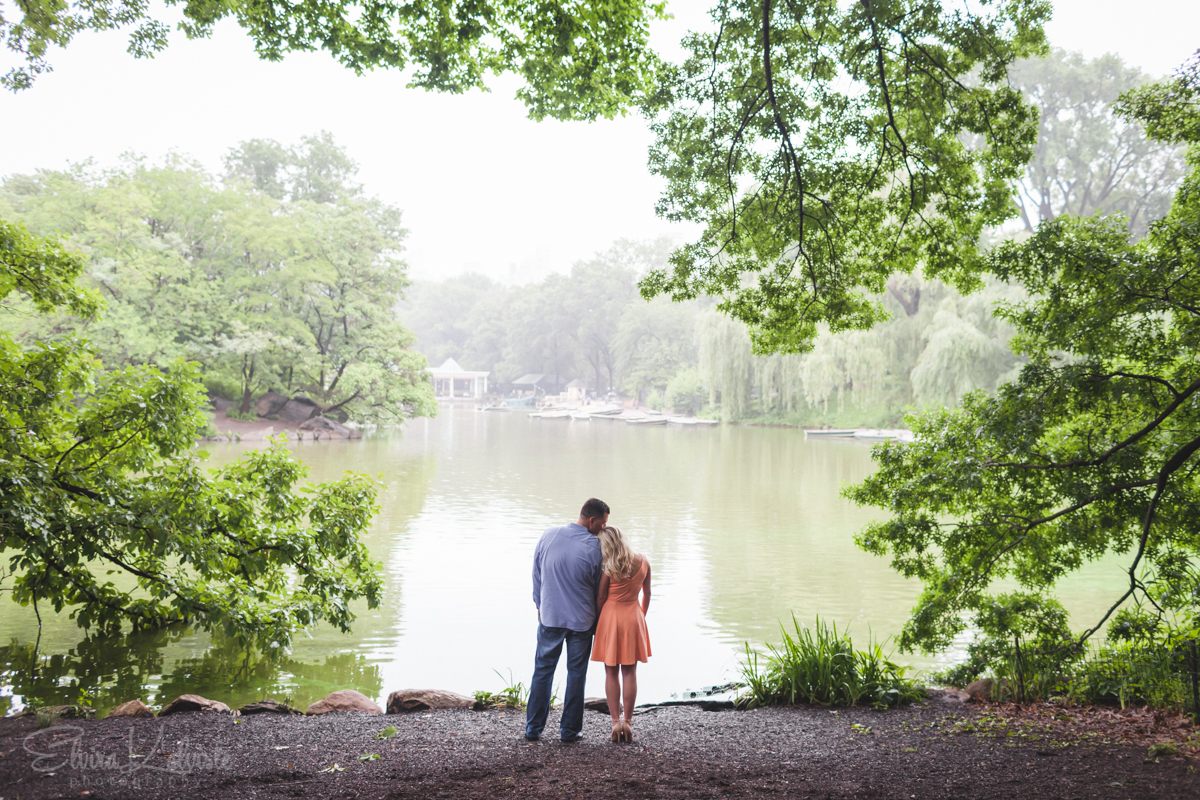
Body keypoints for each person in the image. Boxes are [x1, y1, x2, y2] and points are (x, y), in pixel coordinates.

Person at [525, 498, 609, 742]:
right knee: (576, 674)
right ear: (592, 520)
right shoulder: (596, 548)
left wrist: (540, 605)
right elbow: (598, 591)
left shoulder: (549, 534)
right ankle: (569, 731)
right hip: (582, 622)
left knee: (542, 671)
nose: (603, 528)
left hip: (551, 616)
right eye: (603, 524)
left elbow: (536, 573)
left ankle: (533, 729)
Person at [590, 525, 652, 743]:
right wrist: (640, 617)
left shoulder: (608, 566)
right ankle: (629, 722)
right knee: (630, 672)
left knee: (610, 672)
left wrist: (599, 623)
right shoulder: (643, 561)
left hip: (611, 618)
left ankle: (615, 723)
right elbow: (647, 593)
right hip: (633, 617)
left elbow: (600, 598)